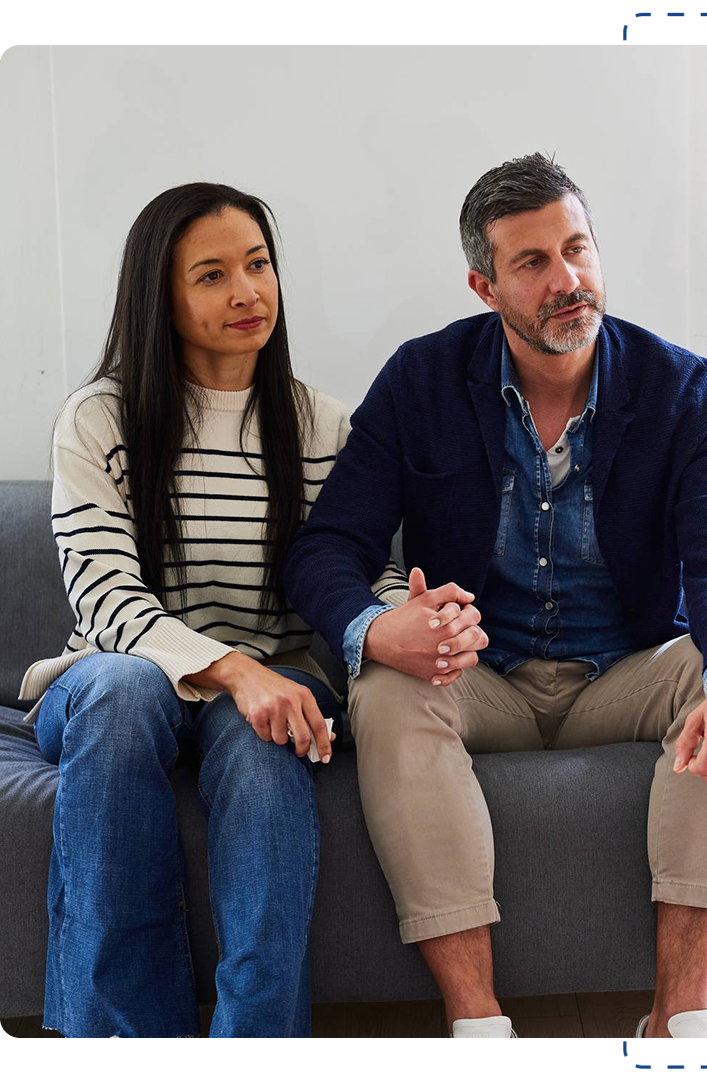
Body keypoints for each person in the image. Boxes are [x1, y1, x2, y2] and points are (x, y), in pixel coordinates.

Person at [284, 152, 707, 1061]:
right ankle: (479, 1027)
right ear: (485, 284)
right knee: (386, 686)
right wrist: (372, 626)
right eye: (534, 263)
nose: (569, 281)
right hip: (482, 673)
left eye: (578, 249)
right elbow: (326, 549)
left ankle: (682, 1024)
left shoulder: (685, 389)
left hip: (628, 669)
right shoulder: (419, 381)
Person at [17, 182, 468, 1042]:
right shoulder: (98, 417)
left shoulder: (326, 426)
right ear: (161, 294)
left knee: (267, 762)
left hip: (271, 693)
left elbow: (357, 572)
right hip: (117, 684)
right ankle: (122, 1052)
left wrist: (397, 623)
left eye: (258, 265)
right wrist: (233, 671)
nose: (247, 292)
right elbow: (105, 595)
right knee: (124, 692)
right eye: (213, 275)